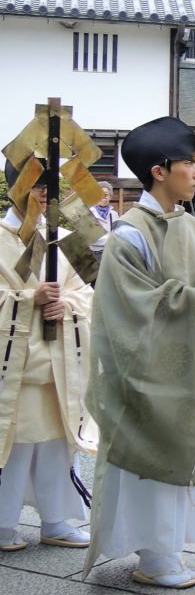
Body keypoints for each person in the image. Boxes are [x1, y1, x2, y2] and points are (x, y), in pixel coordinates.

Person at [82, 116, 195, 588]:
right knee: (153, 455)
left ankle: (169, 547)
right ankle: (154, 556)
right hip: (149, 375)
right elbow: (127, 312)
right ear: (159, 171)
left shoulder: (192, 225)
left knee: (183, 451)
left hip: (189, 369)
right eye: (187, 163)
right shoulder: (129, 234)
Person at [0, 160, 96, 552]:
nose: (44, 194)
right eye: (37, 186)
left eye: (49, 187)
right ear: (16, 187)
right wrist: (26, 300)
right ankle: (3, 523)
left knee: (60, 443)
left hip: (58, 361)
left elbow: (90, 288)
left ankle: (56, 519)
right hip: (15, 364)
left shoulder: (64, 235)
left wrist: (68, 305)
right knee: (15, 443)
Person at [88, 181, 119, 261]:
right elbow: (92, 239)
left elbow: (118, 234)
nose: (104, 197)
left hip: (111, 254)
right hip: (94, 256)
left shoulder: (114, 214)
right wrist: (112, 239)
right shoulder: (89, 214)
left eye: (107, 194)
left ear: (110, 196)